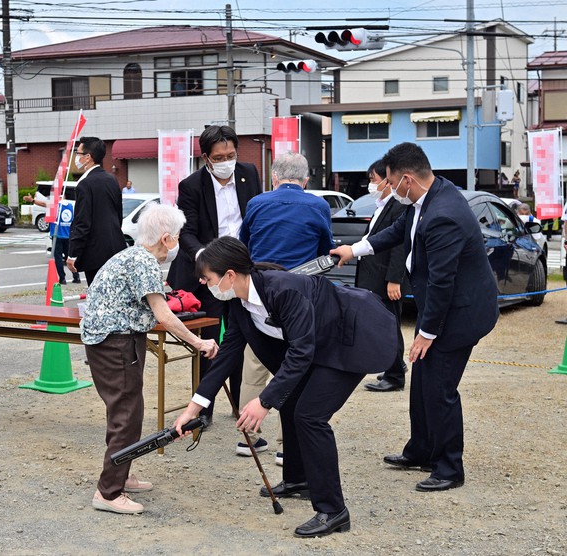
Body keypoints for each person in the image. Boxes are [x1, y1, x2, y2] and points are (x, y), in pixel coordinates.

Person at [173, 236, 397, 538]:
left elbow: (301, 351)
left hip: (350, 337)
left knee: (309, 415)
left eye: (207, 278)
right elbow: (227, 356)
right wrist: (193, 408)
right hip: (319, 343)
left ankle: (333, 511)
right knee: (290, 402)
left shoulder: (283, 288)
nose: (204, 283)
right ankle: (298, 479)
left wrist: (263, 401)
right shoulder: (238, 304)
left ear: (229, 275)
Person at [331, 142, 499, 492]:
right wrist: (354, 249)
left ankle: (450, 468)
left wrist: (426, 332)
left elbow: (442, 282)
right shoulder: (426, 197)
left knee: (440, 388)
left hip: (461, 313)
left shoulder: (444, 215)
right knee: (422, 381)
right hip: (443, 307)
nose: (389, 190)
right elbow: (395, 234)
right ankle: (421, 450)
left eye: (391, 183)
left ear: (407, 179)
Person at [81, 204, 219, 515]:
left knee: (124, 411)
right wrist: (198, 341)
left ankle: (121, 473)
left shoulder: (131, 256)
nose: (180, 243)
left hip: (110, 340)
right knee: (127, 414)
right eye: (179, 237)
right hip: (116, 343)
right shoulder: (142, 262)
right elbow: (164, 315)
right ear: (167, 238)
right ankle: (109, 491)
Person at [237, 151, 334, 463]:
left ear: (274, 178)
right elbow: (324, 250)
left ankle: (248, 436)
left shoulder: (257, 203)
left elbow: (244, 244)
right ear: (306, 181)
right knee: (296, 363)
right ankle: (286, 443)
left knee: (254, 363)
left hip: (261, 289)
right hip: (301, 291)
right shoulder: (318, 205)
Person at [166, 124, 260, 421]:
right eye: (219, 157)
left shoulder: (249, 174)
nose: (226, 161)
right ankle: (203, 408)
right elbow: (187, 233)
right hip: (207, 275)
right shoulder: (191, 186)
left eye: (231, 154)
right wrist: (207, 262)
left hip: (240, 273)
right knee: (209, 342)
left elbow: (255, 217)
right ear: (206, 158)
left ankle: (238, 405)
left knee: (242, 335)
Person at [358, 160, 411, 393]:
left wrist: (394, 279)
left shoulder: (398, 206)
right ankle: (394, 365)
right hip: (374, 277)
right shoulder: (382, 205)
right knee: (384, 324)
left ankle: (395, 375)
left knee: (389, 325)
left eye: (374, 179)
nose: (371, 184)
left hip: (386, 280)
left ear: (388, 181)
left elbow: (400, 246)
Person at [66, 137, 127, 286]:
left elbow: (82, 222)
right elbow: (118, 215)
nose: (76, 157)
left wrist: (73, 254)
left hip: (95, 253)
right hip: (116, 248)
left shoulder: (84, 184)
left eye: (78, 153)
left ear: (88, 157)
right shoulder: (112, 179)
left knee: (98, 298)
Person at [52, 197, 80, 284]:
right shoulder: (70, 206)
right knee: (70, 256)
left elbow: (43, 204)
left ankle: (62, 278)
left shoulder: (55, 206)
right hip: (68, 236)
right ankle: (76, 276)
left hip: (58, 236)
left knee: (58, 258)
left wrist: (33, 201)